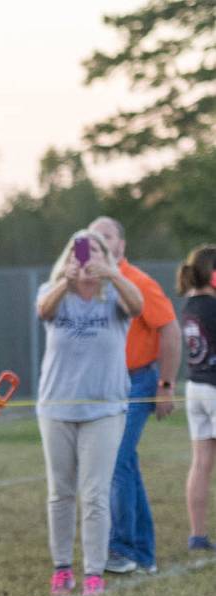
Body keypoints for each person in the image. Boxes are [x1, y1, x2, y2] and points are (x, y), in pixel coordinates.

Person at [35, 230, 144, 596]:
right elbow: (43, 312)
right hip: (57, 408)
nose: (87, 258)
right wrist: (65, 283)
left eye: (95, 250)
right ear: (68, 258)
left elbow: (138, 307)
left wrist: (111, 274)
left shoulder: (115, 295)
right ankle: (62, 567)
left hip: (105, 409)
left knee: (95, 493)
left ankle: (94, 571)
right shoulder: (54, 292)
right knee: (60, 492)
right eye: (80, 252)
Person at [90, 217, 180, 575]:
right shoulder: (89, 286)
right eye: (94, 237)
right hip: (106, 386)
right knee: (124, 464)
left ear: (121, 245)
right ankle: (142, 552)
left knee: (116, 462)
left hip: (138, 382)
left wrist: (166, 385)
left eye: (107, 235)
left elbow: (170, 331)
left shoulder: (139, 282)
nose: (100, 241)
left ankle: (123, 549)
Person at [177, 245, 216, 552]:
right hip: (213, 389)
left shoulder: (190, 304)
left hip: (195, 389)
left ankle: (197, 535)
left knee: (201, 463)